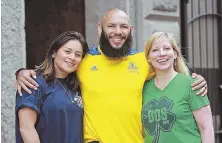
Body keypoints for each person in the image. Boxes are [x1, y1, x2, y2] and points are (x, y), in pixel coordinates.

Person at [15, 9, 208, 143]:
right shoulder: (84, 61)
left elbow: (168, 69)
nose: (118, 32)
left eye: (123, 27)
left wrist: (195, 78)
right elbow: (59, 67)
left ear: (130, 30)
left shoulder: (143, 61)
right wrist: (22, 73)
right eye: (111, 26)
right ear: (100, 29)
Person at [15, 31, 89, 143]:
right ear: (54, 53)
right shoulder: (33, 82)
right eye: (67, 51)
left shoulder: (77, 87)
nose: (72, 57)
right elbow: (26, 129)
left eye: (78, 55)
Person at [142, 32, 214, 143]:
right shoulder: (143, 89)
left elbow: (206, 129)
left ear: (175, 54)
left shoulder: (192, 85)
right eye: (155, 50)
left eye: (166, 48)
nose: (162, 53)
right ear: (148, 58)